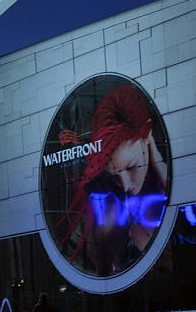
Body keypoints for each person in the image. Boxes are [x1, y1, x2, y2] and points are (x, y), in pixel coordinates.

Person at [55, 85, 168, 275]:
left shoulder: (171, 182)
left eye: (131, 166)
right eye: (114, 176)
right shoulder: (105, 209)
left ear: (147, 134)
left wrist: (162, 170)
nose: (126, 186)